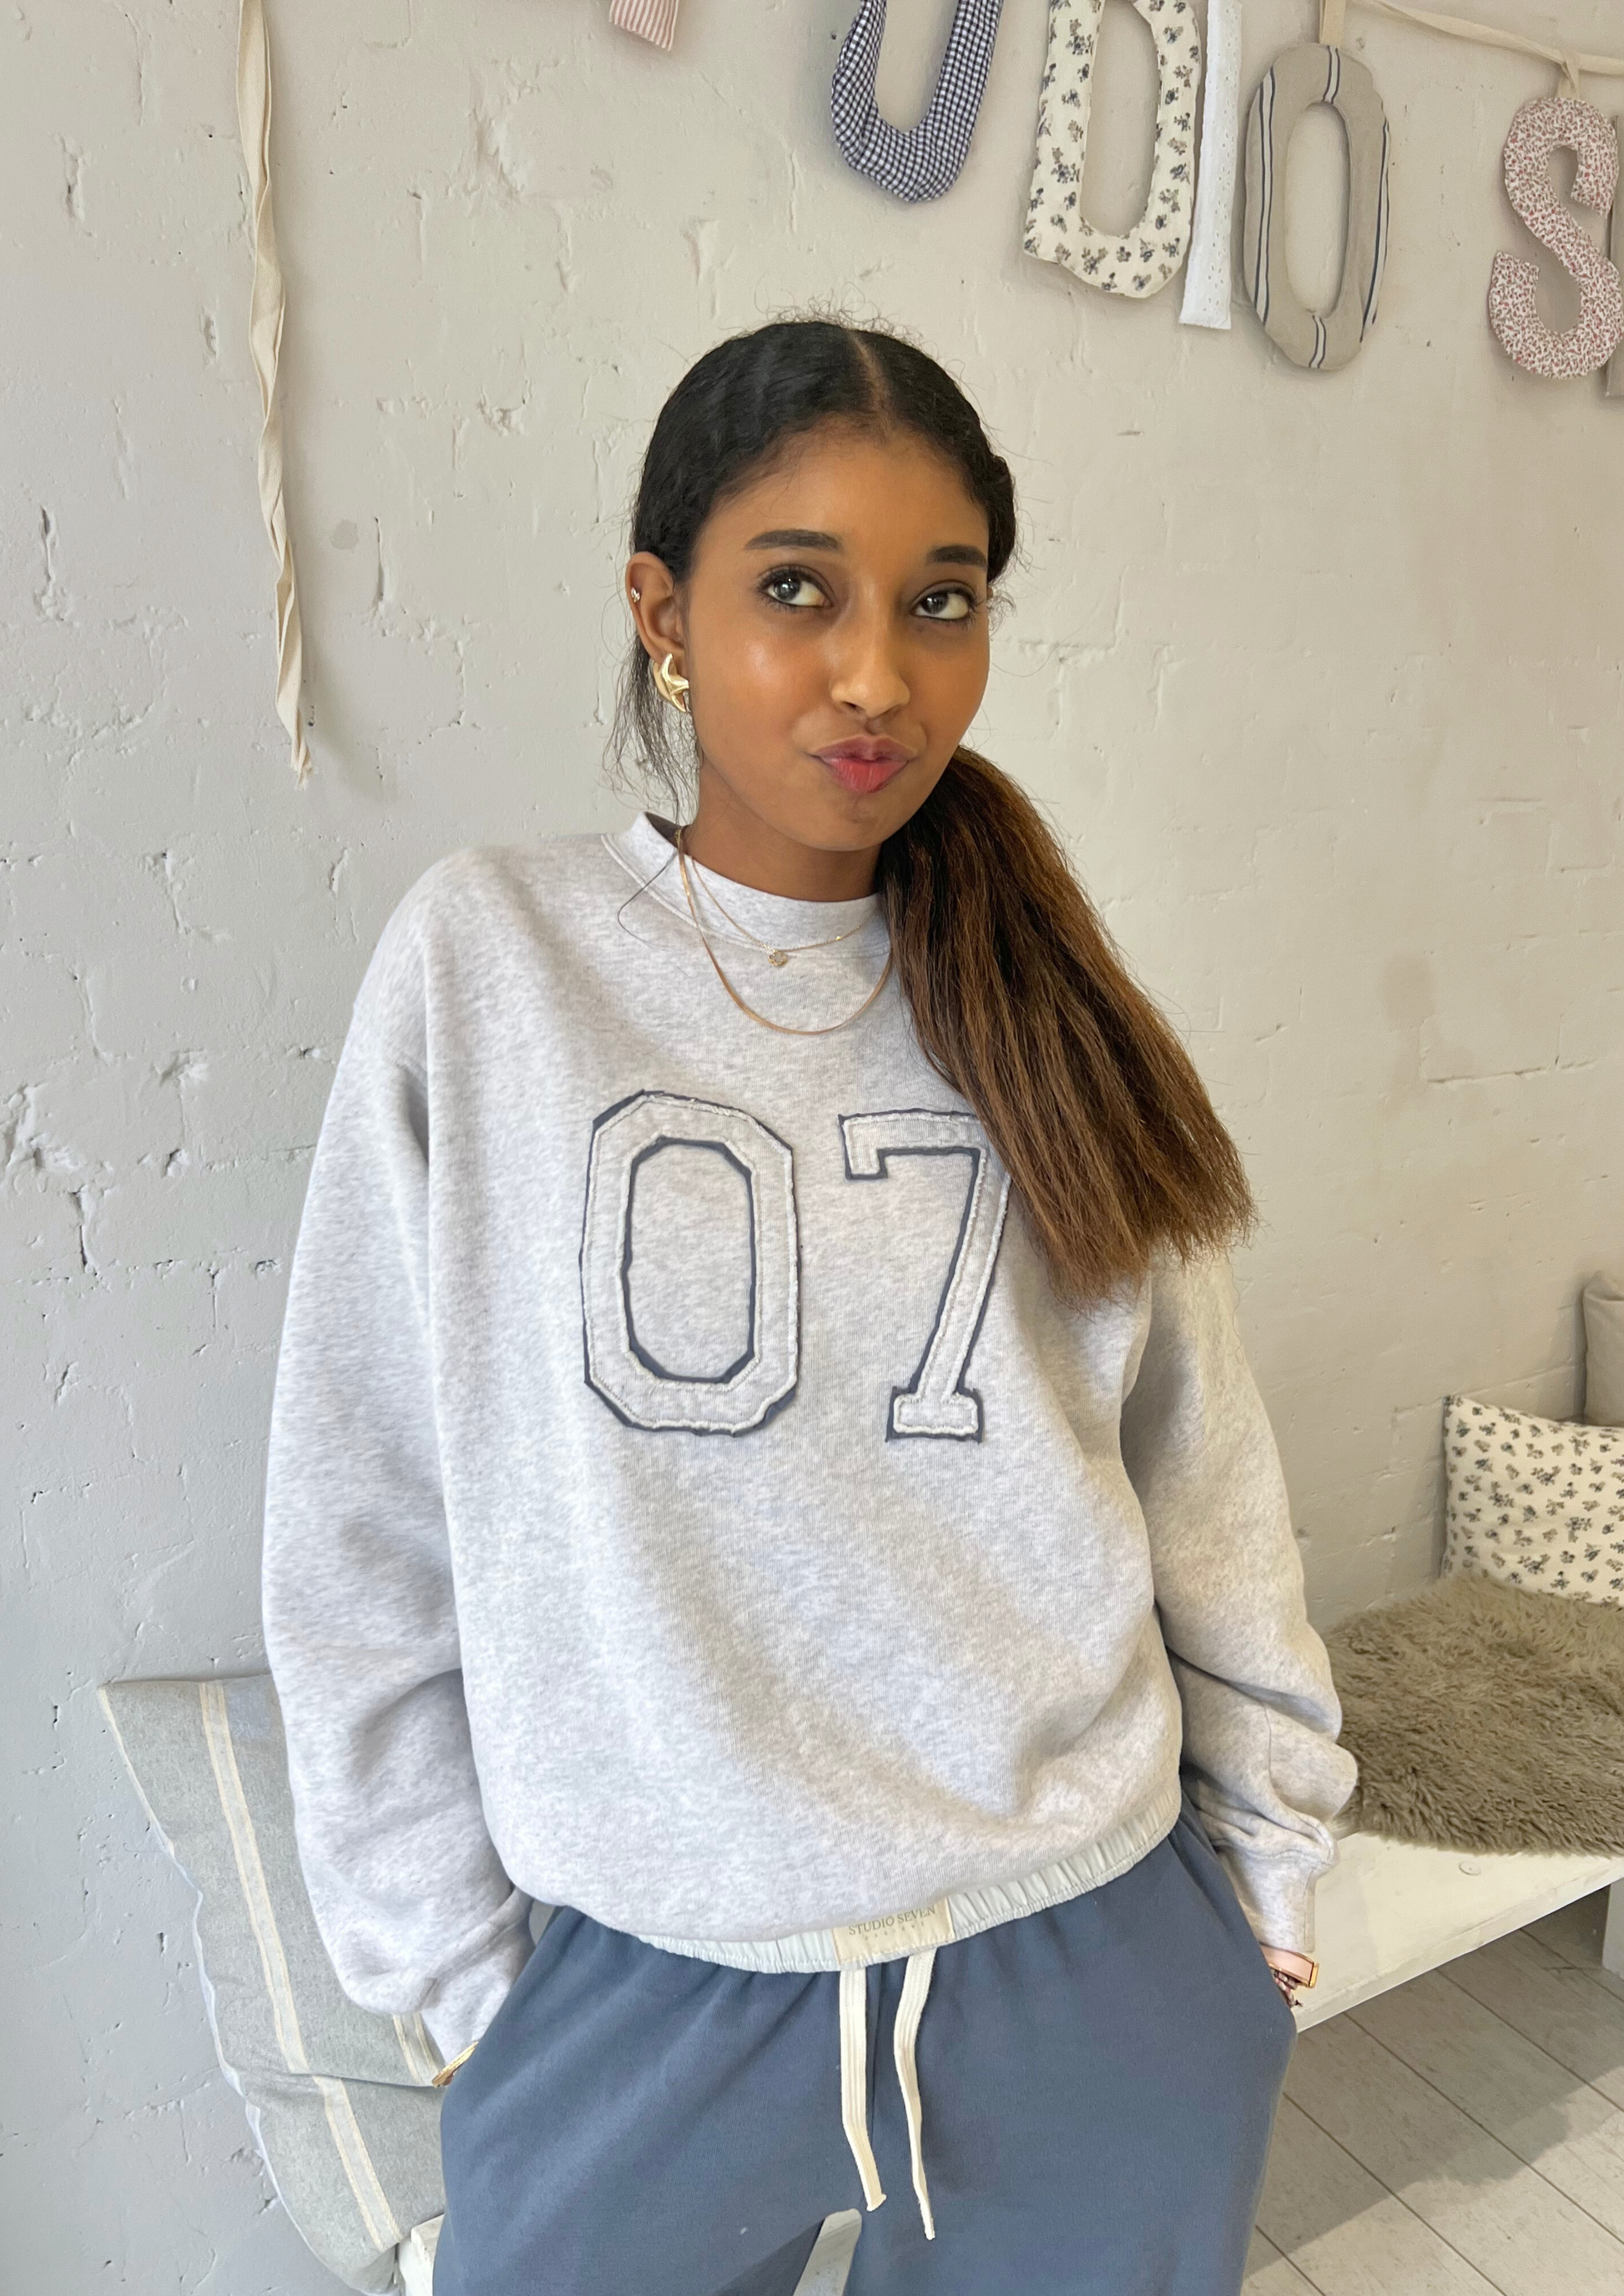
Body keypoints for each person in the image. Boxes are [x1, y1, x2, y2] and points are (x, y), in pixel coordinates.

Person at [261, 315, 1358, 2296]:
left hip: (1088, 1946)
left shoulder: (1054, 1000)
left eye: (941, 599)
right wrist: (452, 1979)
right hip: (640, 1983)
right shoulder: (490, 966)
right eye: (797, 589)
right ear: (660, 613)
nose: (876, 673)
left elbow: (1202, 1472)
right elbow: (364, 1515)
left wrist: (1265, 1875)